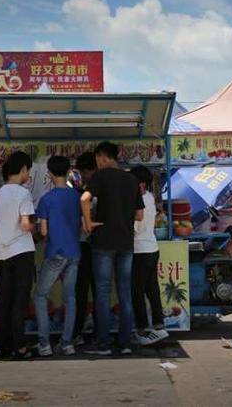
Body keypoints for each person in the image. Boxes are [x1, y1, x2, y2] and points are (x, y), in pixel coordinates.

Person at [81, 142, 144, 356]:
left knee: (103, 292)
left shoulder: (100, 177)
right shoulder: (131, 179)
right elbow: (139, 215)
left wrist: (88, 223)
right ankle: (125, 342)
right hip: (126, 243)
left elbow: (84, 198)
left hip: (103, 243)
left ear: (101, 157)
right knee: (125, 292)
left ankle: (104, 343)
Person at [34, 156, 82, 357]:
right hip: (74, 252)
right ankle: (67, 343)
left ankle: (44, 344)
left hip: (55, 252)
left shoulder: (46, 199)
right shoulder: (76, 196)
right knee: (70, 298)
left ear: (50, 173)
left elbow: (43, 232)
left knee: (40, 296)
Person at [0, 151, 36, 360]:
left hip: (1, 254)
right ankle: (20, 346)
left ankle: (3, 345)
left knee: (4, 301)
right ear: (24, 170)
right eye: (29, 171)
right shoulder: (23, 193)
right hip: (21, 253)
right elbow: (26, 224)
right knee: (20, 301)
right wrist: (38, 226)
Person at [129, 165, 169, 346]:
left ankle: (142, 327)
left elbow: (135, 229)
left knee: (137, 291)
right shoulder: (150, 198)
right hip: (152, 248)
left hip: (140, 250)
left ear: (141, 184)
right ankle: (159, 323)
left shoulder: (138, 202)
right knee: (152, 289)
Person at [72, 151, 98, 347]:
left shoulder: (85, 193)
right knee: (97, 291)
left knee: (81, 291)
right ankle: (97, 333)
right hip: (97, 245)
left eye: (84, 172)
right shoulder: (88, 190)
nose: (83, 175)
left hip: (85, 245)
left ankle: (77, 332)